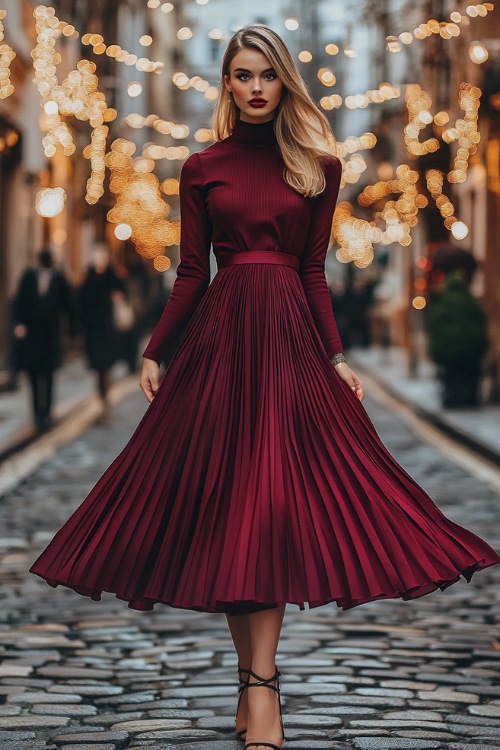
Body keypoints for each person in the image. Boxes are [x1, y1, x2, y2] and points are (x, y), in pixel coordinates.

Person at [30, 24, 500, 750]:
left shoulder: (318, 165)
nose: (254, 87)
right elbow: (193, 271)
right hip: (221, 343)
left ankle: (261, 683)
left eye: (266, 76)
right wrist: (156, 351)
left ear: (284, 84)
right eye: (242, 75)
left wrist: (337, 357)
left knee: (271, 504)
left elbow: (312, 270)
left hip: (288, 346)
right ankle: (256, 684)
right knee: (229, 507)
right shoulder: (200, 166)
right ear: (226, 83)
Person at [12, 247, 75, 432]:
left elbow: (68, 306)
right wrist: (19, 324)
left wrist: (71, 332)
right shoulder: (29, 277)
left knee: (48, 377)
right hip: (32, 336)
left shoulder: (59, 279)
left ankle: (46, 414)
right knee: (32, 376)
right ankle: (37, 415)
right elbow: (19, 302)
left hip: (50, 336)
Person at [79, 244, 125, 402]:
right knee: (96, 362)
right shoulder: (89, 276)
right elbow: (82, 301)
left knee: (106, 361)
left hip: (108, 326)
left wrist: (116, 297)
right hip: (93, 327)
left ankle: (105, 387)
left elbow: (121, 292)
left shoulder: (112, 275)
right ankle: (100, 388)